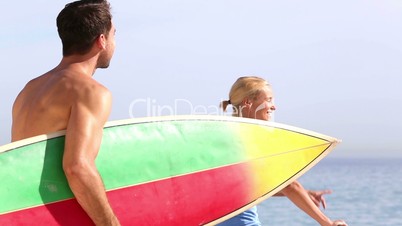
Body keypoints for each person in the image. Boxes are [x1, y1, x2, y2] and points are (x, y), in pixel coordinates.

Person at [11, 1, 119, 225]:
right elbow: (77, 167)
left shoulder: (29, 90)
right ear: (101, 40)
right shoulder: (91, 92)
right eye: (114, 35)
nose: (114, 43)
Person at [218, 76, 347, 226]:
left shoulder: (223, 137)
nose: (274, 106)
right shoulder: (251, 140)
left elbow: (245, 189)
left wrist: (304, 195)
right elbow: (289, 186)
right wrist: (327, 223)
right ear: (248, 102)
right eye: (269, 100)